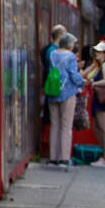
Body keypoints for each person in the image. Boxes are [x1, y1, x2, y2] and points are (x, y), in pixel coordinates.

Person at [46, 33, 84, 166]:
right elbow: (73, 75)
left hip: (53, 91)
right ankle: (64, 157)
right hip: (67, 92)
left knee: (55, 124)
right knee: (66, 125)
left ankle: (53, 157)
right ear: (69, 44)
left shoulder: (52, 54)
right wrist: (81, 82)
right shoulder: (71, 56)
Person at [85, 41, 105, 166]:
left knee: (103, 129)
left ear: (104, 53)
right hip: (101, 100)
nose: (96, 53)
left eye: (99, 51)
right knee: (99, 128)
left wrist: (94, 83)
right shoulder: (102, 65)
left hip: (102, 100)